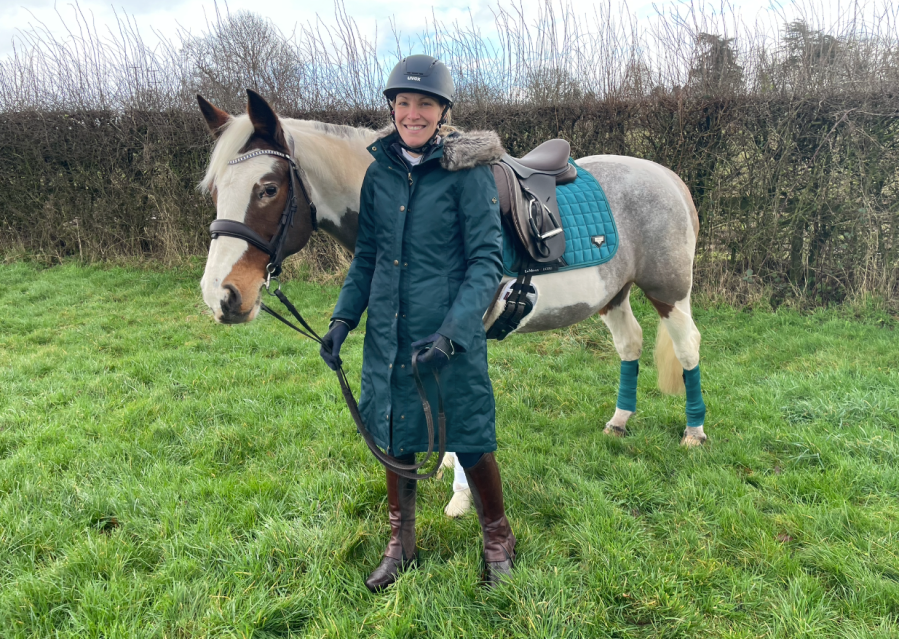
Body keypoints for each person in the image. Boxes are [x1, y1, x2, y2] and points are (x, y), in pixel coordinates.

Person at [319, 54, 515, 592]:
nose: (412, 112)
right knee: (394, 432)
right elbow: (367, 257)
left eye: (424, 103)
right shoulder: (378, 174)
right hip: (388, 329)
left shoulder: (467, 174)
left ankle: (498, 537)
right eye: (403, 102)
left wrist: (453, 333)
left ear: (442, 110)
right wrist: (343, 318)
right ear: (392, 107)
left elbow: (485, 263)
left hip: (448, 332)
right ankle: (401, 542)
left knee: (468, 433)